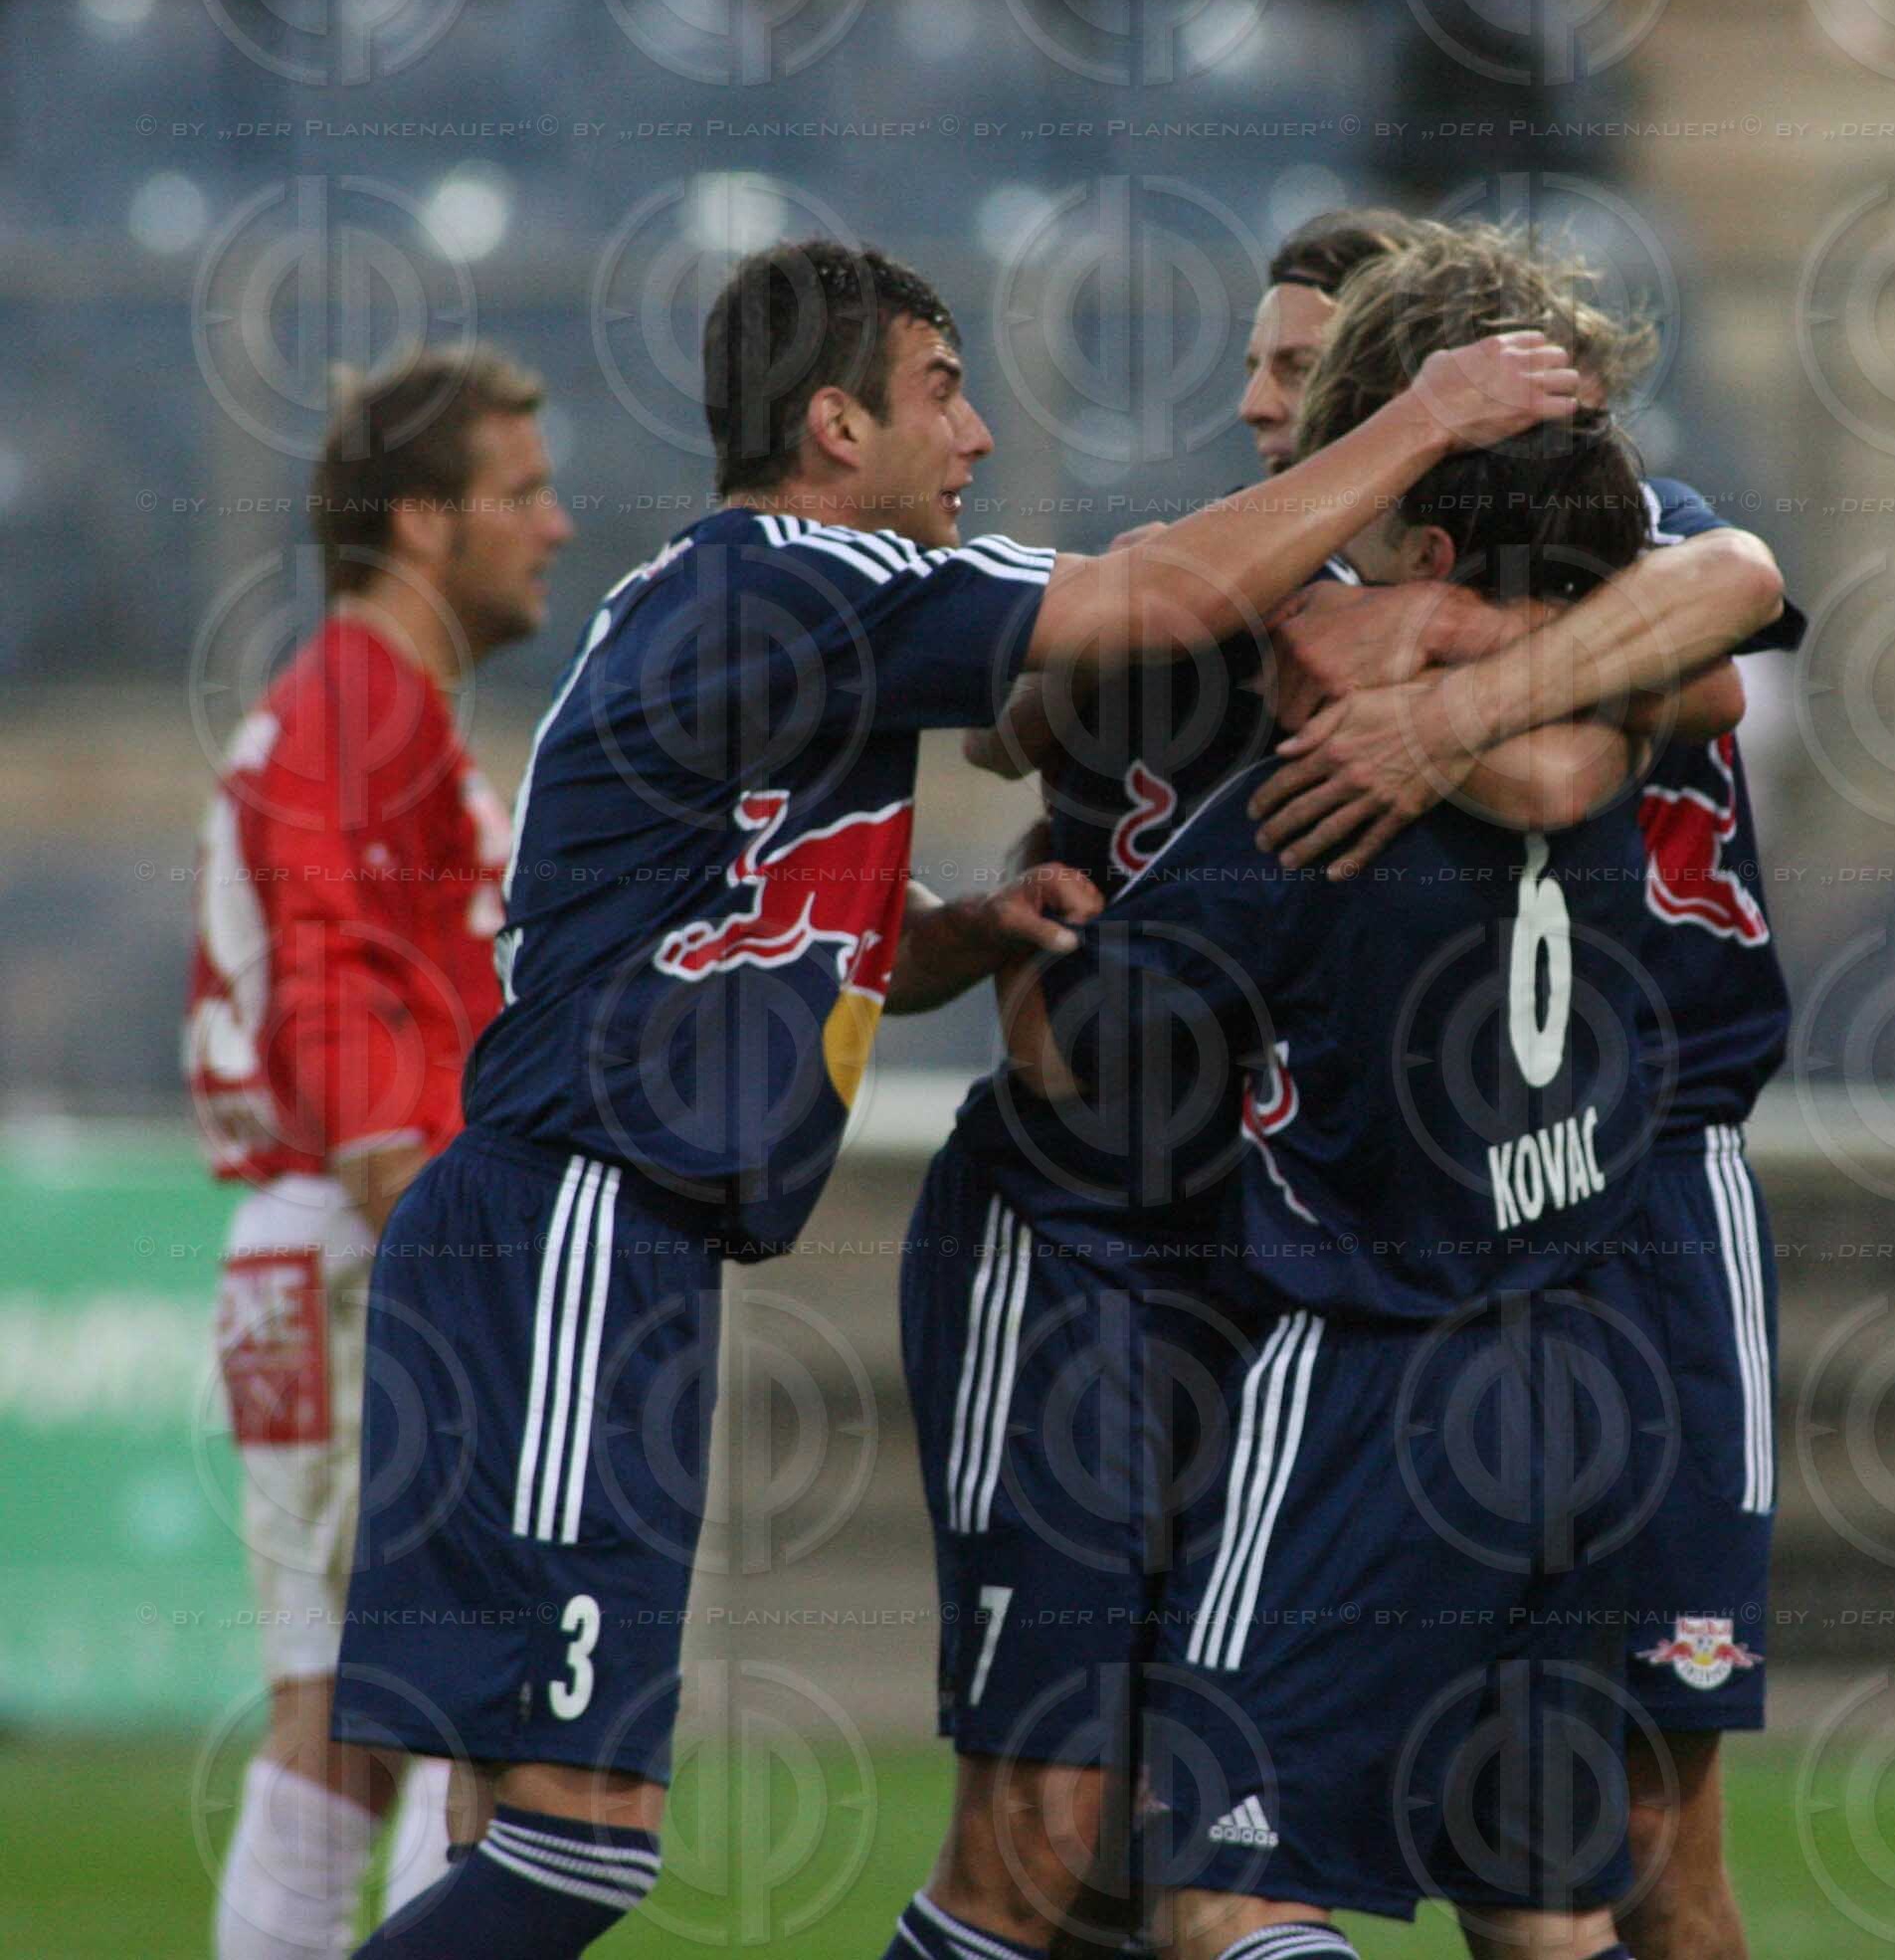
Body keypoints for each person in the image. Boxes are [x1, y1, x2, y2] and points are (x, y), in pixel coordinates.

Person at [322, 239, 1581, 1960]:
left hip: (594, 1237)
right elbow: (1154, 601)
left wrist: (961, 933)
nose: (976, 432)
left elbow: (748, 916)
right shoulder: (802, 580)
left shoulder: (756, 606)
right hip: (569, 1226)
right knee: (568, 1851)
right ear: (835, 424)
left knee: (519, 1826)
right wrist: (1429, 415)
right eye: (939, 393)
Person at [895, 218, 1784, 1960]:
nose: (1256, 407)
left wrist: (1427, 677)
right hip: (1425, 1260)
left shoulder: (1553, 605)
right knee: (1479, 1873)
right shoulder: (1232, 594)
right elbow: (1019, 705)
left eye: (1304, 374)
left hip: (1468, 1265)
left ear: (1438, 426)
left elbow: (1726, 615)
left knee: (1253, 1859)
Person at [187, 346, 568, 1959]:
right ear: (421, 524)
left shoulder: (368, 708)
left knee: (346, 1713)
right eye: (522, 493)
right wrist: (428, 1225)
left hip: (310, 1253)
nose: (553, 527)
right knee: (424, 1703)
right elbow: (340, 979)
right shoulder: (360, 711)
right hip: (363, 1256)